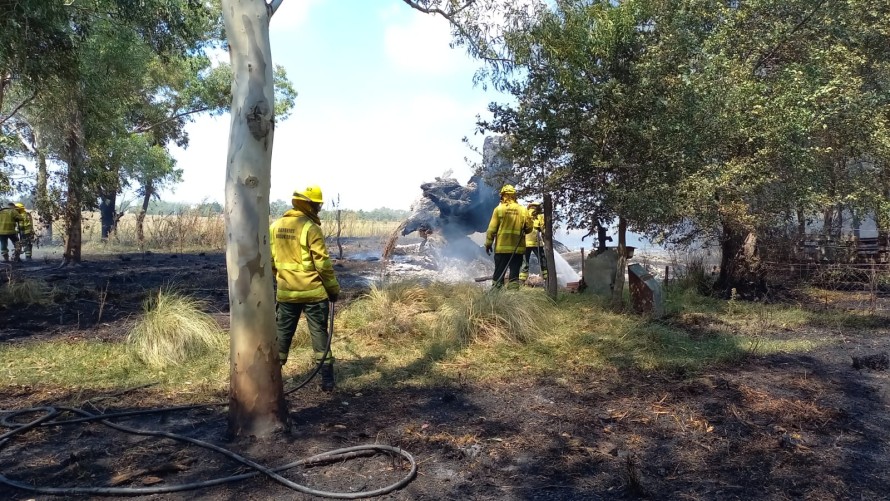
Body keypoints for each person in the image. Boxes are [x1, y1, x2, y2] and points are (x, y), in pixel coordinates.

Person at [270, 185, 341, 392]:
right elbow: (323, 264)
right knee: (320, 334)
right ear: (307, 204)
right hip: (314, 293)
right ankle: (327, 380)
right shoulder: (311, 228)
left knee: (282, 335)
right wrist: (333, 289)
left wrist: (283, 278)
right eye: (316, 205)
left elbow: (271, 260)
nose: (318, 209)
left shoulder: (274, 227)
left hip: (286, 293)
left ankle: (273, 380)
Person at [485, 185, 532, 287]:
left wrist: (488, 244)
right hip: (517, 250)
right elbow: (529, 228)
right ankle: (514, 297)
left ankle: (496, 296)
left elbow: (491, 229)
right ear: (514, 196)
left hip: (501, 249)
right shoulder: (523, 210)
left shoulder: (499, 209)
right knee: (514, 276)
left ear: (503, 195)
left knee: (498, 275)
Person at [519, 201, 548, 284]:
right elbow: (544, 230)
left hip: (526, 243)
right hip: (536, 243)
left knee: (525, 262)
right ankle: (547, 280)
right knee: (542, 261)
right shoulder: (540, 217)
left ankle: (522, 281)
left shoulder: (525, 215)